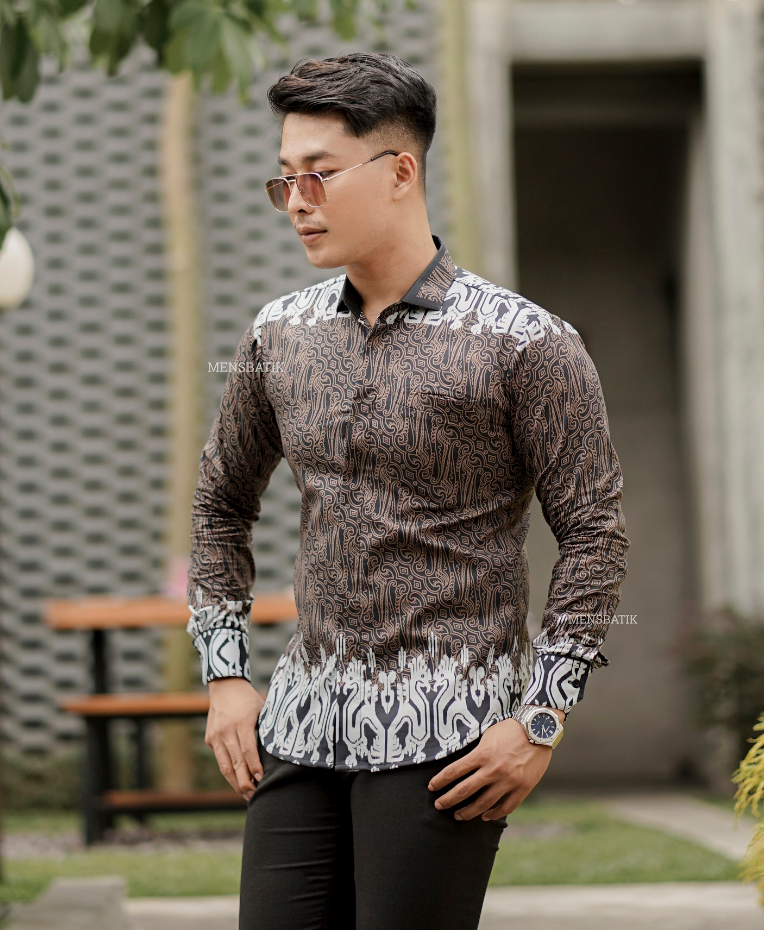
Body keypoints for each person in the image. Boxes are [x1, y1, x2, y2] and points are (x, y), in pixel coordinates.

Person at [187, 51, 628, 930]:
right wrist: (225, 674)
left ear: (400, 172)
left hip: (450, 736)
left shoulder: (524, 342)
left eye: (318, 174)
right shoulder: (279, 334)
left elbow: (594, 533)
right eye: (284, 179)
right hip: (301, 724)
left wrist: (541, 715)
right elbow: (220, 503)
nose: (297, 201)